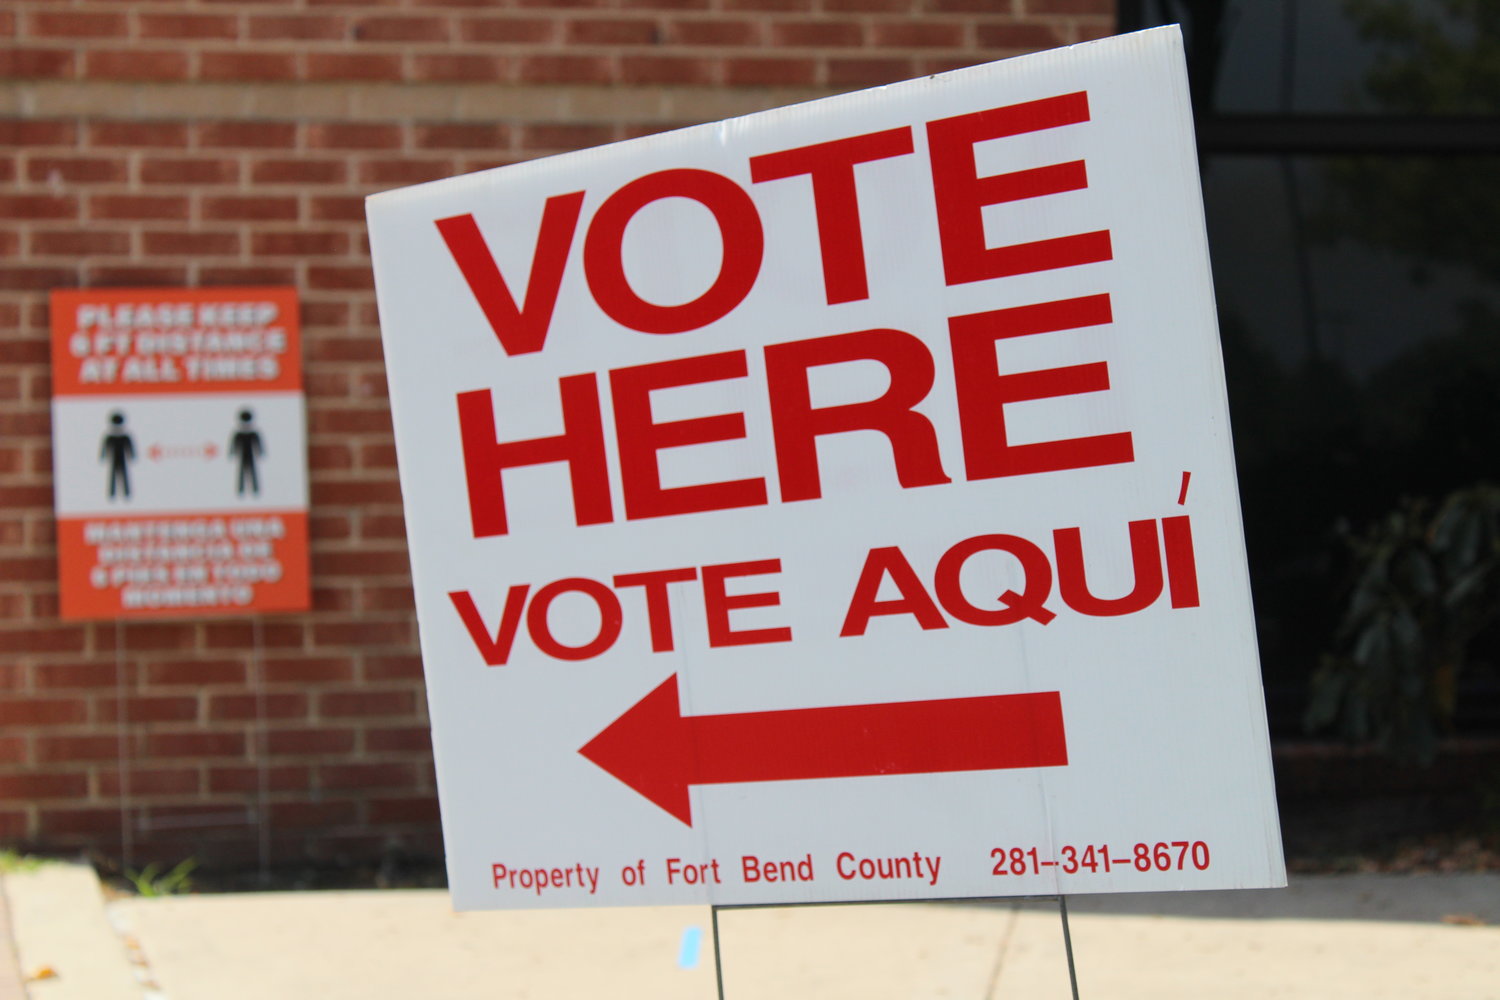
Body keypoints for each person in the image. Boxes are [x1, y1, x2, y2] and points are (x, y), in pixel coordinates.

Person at [100, 410, 135, 500]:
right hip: (113, 458)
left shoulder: (124, 436)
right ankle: (112, 493)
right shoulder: (110, 436)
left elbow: (129, 446)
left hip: (122, 458)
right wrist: (103, 456)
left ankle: (126, 493)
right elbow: (105, 446)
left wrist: (132, 455)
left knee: (124, 475)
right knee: (113, 476)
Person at [229, 408, 264, 497]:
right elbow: (234, 444)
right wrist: (232, 452)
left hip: (251, 455)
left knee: (253, 472)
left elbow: (257, 443)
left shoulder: (253, 433)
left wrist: (260, 452)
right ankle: (241, 490)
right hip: (242, 455)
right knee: (241, 473)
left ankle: (255, 489)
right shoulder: (239, 434)